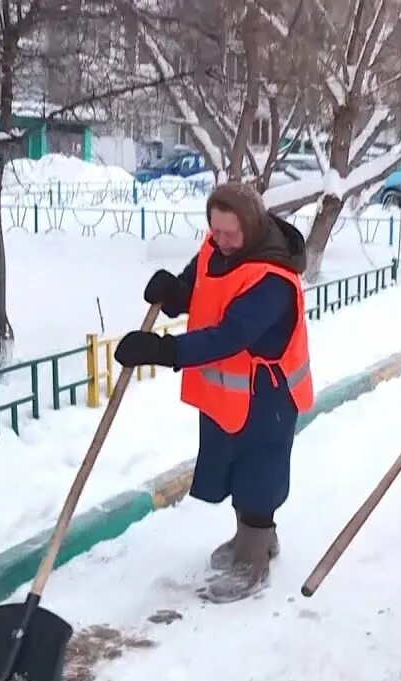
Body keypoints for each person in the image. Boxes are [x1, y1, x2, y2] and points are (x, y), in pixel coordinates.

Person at [113, 182, 313, 604]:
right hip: (231, 392)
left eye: (229, 234)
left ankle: (253, 559)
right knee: (234, 466)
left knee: (259, 471)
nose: (219, 241)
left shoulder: (272, 280)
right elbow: (200, 286)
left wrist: (163, 350)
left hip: (268, 393)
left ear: (253, 227)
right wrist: (174, 293)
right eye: (214, 230)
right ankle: (253, 540)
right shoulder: (216, 248)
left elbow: (230, 334)